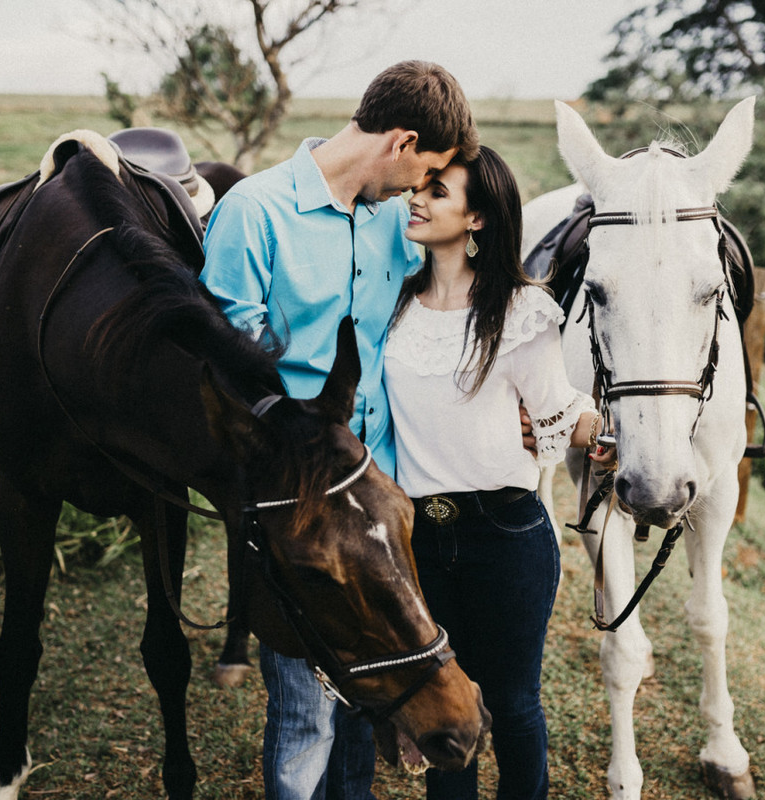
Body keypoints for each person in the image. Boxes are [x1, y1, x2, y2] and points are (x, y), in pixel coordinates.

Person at [199, 61, 479, 800]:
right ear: (404, 141)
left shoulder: (395, 220)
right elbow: (228, 376)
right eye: (426, 171)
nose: (422, 189)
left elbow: (444, 299)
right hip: (302, 510)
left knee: (377, 693)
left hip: (380, 499)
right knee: (304, 713)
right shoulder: (254, 213)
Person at [383, 146, 613, 800]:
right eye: (418, 188)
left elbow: (561, 409)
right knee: (446, 709)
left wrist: (605, 432)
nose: (417, 199)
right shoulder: (394, 305)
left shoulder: (520, 311)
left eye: (438, 191)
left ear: (478, 219)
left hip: (505, 535)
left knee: (512, 704)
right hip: (419, 539)